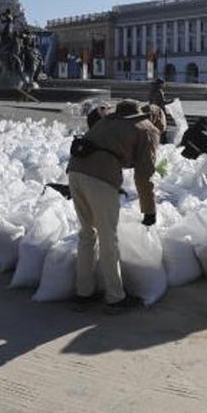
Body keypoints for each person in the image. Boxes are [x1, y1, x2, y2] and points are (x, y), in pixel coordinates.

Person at [67, 100, 164, 313]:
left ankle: (83, 293)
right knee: (108, 237)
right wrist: (149, 210)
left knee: (86, 234)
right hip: (100, 177)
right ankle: (115, 298)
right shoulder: (148, 129)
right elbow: (144, 175)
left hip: (74, 170)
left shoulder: (111, 120)